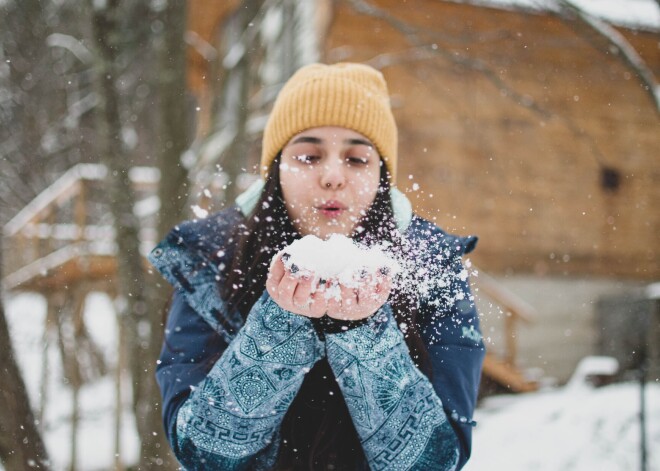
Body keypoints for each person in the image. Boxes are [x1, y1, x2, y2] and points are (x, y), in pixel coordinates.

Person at [150, 62, 485, 471]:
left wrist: (363, 335)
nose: (332, 177)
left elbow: (437, 462)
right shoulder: (209, 264)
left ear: (383, 176)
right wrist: (279, 326)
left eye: (357, 159)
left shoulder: (432, 271)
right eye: (308, 156)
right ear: (276, 169)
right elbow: (202, 455)